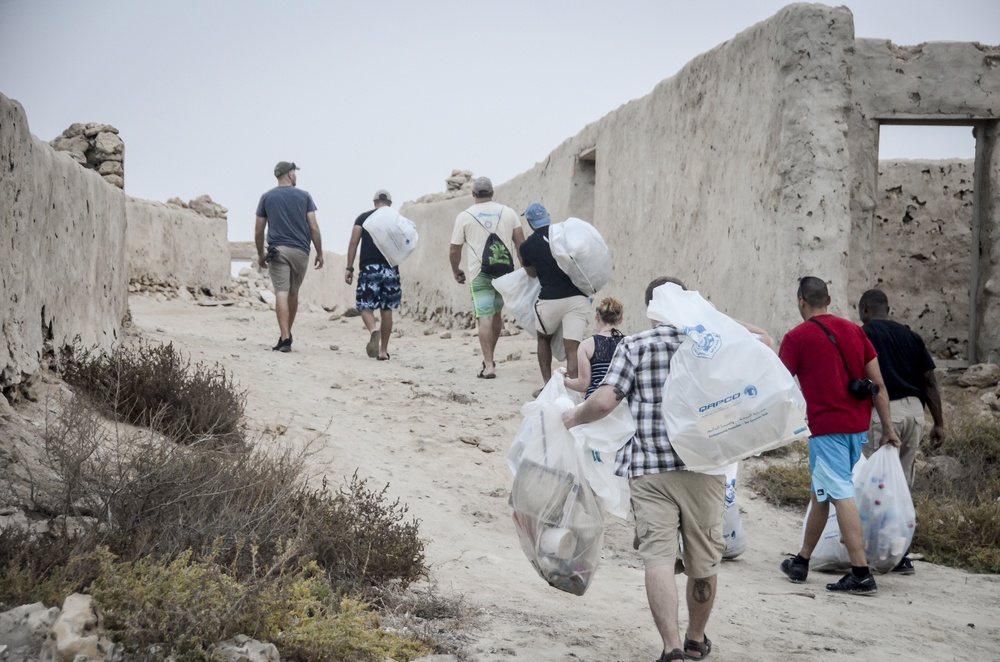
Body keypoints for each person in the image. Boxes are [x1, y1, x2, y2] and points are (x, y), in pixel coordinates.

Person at [562, 277, 723, 662]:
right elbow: (763, 345)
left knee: (658, 559)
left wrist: (574, 418)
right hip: (705, 466)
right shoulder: (711, 342)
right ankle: (696, 639)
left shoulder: (635, 345)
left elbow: (604, 401)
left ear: (650, 308)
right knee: (704, 560)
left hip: (650, 470)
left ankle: (670, 649)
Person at [778, 276, 900, 595]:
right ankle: (802, 560)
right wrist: (887, 429)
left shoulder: (796, 337)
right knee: (822, 492)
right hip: (856, 427)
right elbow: (878, 384)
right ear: (829, 301)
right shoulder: (856, 332)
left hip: (826, 428)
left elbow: (779, 383)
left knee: (840, 494)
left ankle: (860, 573)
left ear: (800, 301)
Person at [858, 288, 945, 575]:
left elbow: (859, 380)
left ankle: (867, 552)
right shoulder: (911, 336)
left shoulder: (864, 334)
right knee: (902, 484)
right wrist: (939, 422)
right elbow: (930, 381)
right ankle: (901, 554)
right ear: (888, 308)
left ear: (865, 310)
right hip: (914, 414)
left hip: (885, 414)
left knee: (875, 485)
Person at [449, 176, 525, 378]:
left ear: (473, 194)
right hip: (504, 273)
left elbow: (454, 249)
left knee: (484, 316)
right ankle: (489, 358)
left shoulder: (464, 216)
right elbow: (520, 244)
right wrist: (526, 269)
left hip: (479, 273)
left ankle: (489, 364)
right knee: (497, 314)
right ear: (492, 192)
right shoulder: (508, 212)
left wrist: (456, 270)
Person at [518, 202, 593, 388]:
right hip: (577, 298)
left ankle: (548, 385)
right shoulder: (563, 235)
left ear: (529, 222)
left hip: (549, 300)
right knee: (573, 346)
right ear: (548, 217)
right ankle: (572, 387)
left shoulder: (527, 246)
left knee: (543, 338)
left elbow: (532, 274)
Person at [255, 161, 324, 352]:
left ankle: (285, 337)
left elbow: (259, 230)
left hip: (278, 251)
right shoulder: (305, 196)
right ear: (290, 175)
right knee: (293, 292)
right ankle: (286, 335)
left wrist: (261, 254)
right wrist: (319, 251)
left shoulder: (267, 197)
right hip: (301, 251)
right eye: (294, 172)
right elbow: (313, 227)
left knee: (281, 292)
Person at [345, 189, 401, 361]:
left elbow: (354, 242)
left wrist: (349, 268)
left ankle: (373, 330)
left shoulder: (363, 218)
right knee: (387, 309)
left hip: (370, 269)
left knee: (365, 306)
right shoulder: (395, 219)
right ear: (389, 204)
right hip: (390, 269)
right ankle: (383, 351)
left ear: (374, 202)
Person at [563, 297, 625, 398]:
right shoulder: (629, 343)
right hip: (621, 401)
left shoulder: (587, 345)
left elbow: (583, 384)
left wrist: (564, 381)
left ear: (597, 317)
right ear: (621, 319)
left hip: (595, 402)